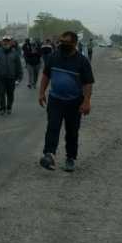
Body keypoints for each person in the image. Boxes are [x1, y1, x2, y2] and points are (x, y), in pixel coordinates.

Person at [38, 31, 94, 173]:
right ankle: (49, 155)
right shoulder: (53, 57)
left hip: (74, 102)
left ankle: (70, 158)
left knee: (72, 131)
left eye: (66, 42)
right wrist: (41, 93)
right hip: (55, 100)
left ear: (74, 44)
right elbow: (46, 75)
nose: (63, 44)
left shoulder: (82, 61)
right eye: (61, 41)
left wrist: (86, 101)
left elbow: (88, 83)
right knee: (52, 127)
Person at [0, 36, 23, 115]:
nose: (6, 42)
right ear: (2, 42)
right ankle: (2, 108)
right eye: (4, 41)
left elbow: (18, 66)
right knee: (1, 93)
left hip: (11, 77)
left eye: (8, 41)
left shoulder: (15, 53)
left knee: (10, 93)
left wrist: (19, 78)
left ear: (11, 42)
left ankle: (9, 107)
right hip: (1, 77)